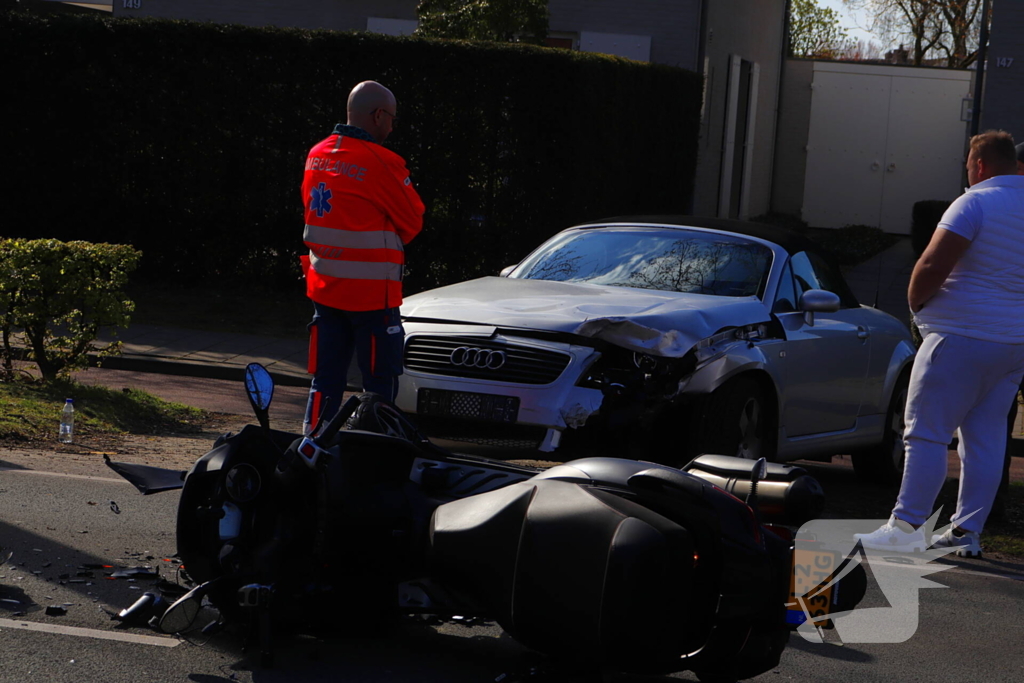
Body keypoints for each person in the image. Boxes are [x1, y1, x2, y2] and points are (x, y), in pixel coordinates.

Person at [856, 130, 1024, 558]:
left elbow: (933, 262)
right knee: (986, 439)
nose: (968, 173)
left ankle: (907, 526)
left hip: (959, 337)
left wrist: (916, 304)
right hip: (1012, 345)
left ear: (980, 165)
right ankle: (967, 533)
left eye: (969, 165)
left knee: (927, 433)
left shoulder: (975, 201)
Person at [300, 81, 425, 433]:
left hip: (325, 290)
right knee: (378, 386)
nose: (392, 126)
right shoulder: (381, 163)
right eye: (391, 118)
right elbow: (413, 222)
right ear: (378, 115)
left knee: (325, 380)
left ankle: (311, 444)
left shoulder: (316, 154)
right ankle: (373, 453)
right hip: (372, 297)